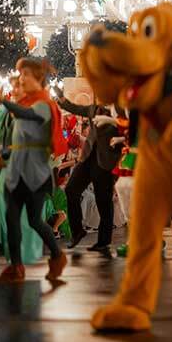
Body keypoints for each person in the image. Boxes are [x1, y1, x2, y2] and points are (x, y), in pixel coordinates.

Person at [0, 57, 68, 284]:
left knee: (34, 220)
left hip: (35, 173)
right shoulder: (24, 104)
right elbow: (17, 141)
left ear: (38, 78)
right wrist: (3, 156)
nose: (21, 79)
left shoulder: (43, 104)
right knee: (11, 219)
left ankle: (57, 255)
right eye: (20, 75)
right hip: (15, 172)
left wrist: (2, 99)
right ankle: (16, 267)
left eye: (25, 75)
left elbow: (28, 116)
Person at [0, 76, 46, 264]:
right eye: (13, 86)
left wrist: (6, 159)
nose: (14, 90)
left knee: (20, 219)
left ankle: (22, 261)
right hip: (4, 172)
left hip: (22, 171)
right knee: (2, 215)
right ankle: (13, 262)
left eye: (19, 86)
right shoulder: (6, 112)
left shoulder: (33, 111)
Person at [57, 93, 122, 253]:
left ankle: (103, 242)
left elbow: (128, 128)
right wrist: (63, 100)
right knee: (71, 189)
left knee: (103, 201)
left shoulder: (119, 109)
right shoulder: (94, 108)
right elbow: (76, 108)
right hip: (88, 157)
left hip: (105, 161)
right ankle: (78, 230)